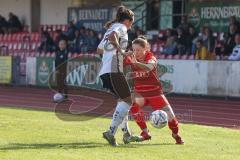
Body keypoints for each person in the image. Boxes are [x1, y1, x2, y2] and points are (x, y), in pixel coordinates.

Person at [124, 37, 184, 144]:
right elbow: (118, 61)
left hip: (154, 93)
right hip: (140, 93)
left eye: (138, 50)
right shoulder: (131, 57)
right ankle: (145, 132)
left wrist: (136, 63)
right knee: (132, 106)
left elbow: (149, 67)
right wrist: (122, 54)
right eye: (134, 50)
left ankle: (175, 134)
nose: (135, 52)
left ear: (145, 49)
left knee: (171, 118)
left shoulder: (151, 57)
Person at [98, 6, 135, 146]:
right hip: (114, 68)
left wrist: (112, 53)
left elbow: (99, 49)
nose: (131, 26)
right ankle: (111, 132)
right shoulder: (121, 27)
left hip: (105, 70)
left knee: (123, 101)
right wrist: (122, 51)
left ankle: (126, 133)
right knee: (128, 101)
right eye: (132, 22)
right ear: (127, 21)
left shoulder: (110, 29)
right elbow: (114, 36)